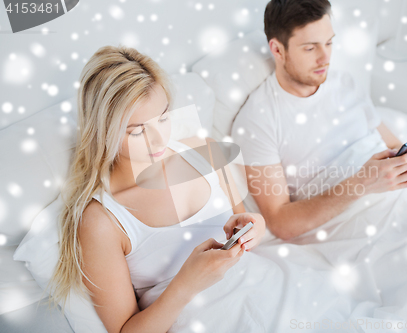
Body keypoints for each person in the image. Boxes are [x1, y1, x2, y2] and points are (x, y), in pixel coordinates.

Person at [44, 45, 267, 333]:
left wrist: (256, 226)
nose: (159, 139)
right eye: (137, 131)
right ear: (103, 132)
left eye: (163, 117)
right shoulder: (102, 221)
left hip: (266, 288)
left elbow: (245, 222)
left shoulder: (205, 150)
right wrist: (186, 284)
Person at [231, 0, 407, 241]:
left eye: (329, 42)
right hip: (354, 225)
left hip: (402, 199)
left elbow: (392, 144)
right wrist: (361, 183)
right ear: (278, 49)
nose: (325, 58)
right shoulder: (258, 121)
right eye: (310, 48)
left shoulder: (345, 82)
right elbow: (280, 222)